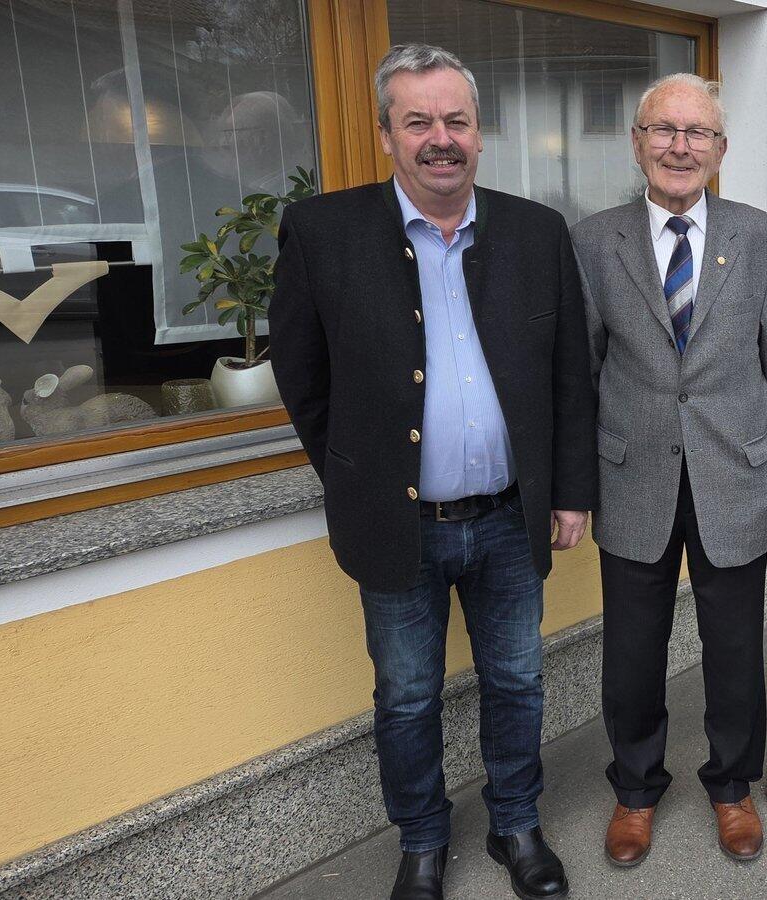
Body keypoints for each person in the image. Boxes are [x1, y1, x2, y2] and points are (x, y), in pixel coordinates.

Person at [269, 43, 595, 900]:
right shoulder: (323, 233)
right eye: (418, 121)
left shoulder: (536, 231)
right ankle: (421, 840)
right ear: (387, 135)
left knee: (519, 681)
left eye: (456, 120)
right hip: (396, 523)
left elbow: (570, 373)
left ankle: (516, 824)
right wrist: (356, 475)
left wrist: (570, 492)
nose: (439, 138)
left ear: (480, 133)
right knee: (408, 696)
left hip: (508, 518)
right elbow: (302, 377)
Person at [571, 73, 767, 866]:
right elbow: (584, 368)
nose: (679, 146)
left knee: (735, 649)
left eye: (697, 133)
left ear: (720, 149)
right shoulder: (593, 241)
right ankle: (636, 790)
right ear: (637, 143)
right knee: (633, 652)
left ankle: (731, 785)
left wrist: (759, 452)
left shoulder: (762, 238)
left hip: (735, 473)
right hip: (633, 475)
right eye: (663, 130)